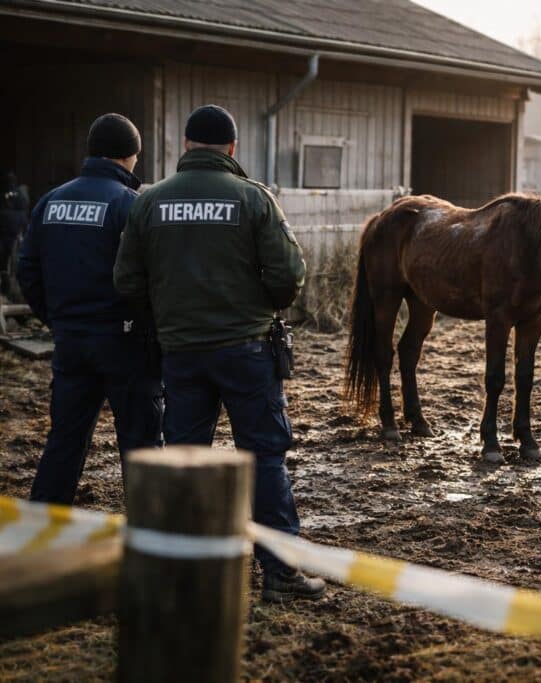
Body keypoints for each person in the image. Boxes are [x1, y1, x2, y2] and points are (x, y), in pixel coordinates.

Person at [114, 104, 324, 602]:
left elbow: (126, 280)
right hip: (247, 350)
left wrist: (168, 315)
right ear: (232, 149)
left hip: (181, 352)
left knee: (186, 460)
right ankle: (279, 573)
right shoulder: (253, 199)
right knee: (264, 458)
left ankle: (185, 575)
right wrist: (260, 303)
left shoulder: (149, 201)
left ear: (186, 146)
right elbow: (289, 276)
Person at [16, 113, 163, 503]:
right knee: (142, 445)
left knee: (64, 440)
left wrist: (57, 319)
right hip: (125, 341)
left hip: (70, 341)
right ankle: (151, 542)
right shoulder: (130, 205)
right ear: (132, 155)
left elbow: (26, 270)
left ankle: (40, 535)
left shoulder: (51, 201)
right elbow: (152, 276)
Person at [0, 171, 29, 297]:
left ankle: (8, 290)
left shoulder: (12, 195)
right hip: (14, 234)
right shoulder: (20, 196)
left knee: (8, 263)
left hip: (10, 234)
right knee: (10, 264)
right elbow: (23, 215)